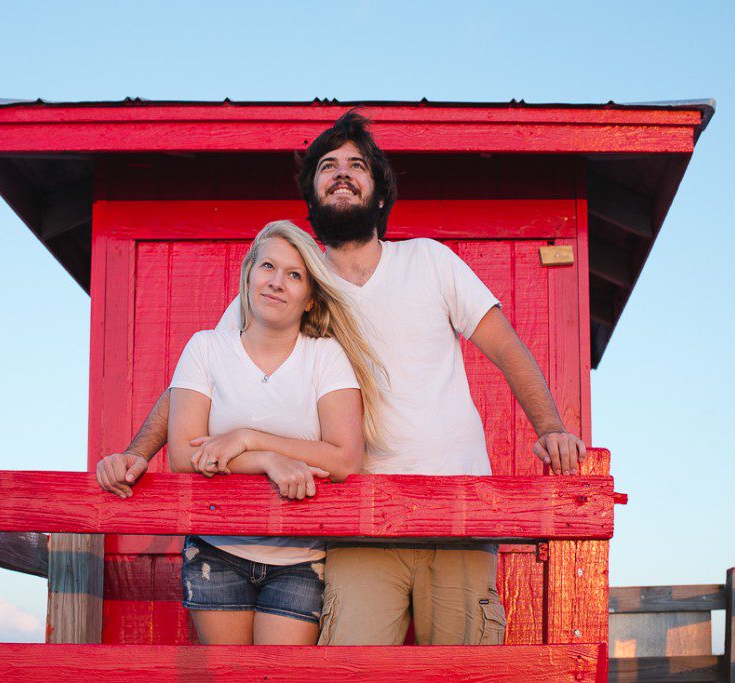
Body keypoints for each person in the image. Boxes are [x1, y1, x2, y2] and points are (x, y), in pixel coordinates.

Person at [97, 111, 586, 646]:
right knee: (347, 666)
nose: (342, 173)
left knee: (462, 669)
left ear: (380, 195)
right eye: (327, 166)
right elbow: (205, 373)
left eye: (357, 165)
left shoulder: (430, 261)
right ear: (312, 197)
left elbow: (507, 347)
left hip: (456, 508)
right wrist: (140, 450)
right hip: (357, 520)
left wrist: (550, 426)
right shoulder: (296, 282)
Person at [158, 220, 383, 645]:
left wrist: (247, 437)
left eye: (294, 275)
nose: (277, 282)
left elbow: (345, 458)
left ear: (310, 299)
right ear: (248, 277)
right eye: (268, 267)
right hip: (217, 548)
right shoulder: (206, 348)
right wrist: (268, 460)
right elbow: (184, 455)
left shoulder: (325, 357)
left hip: (300, 557)